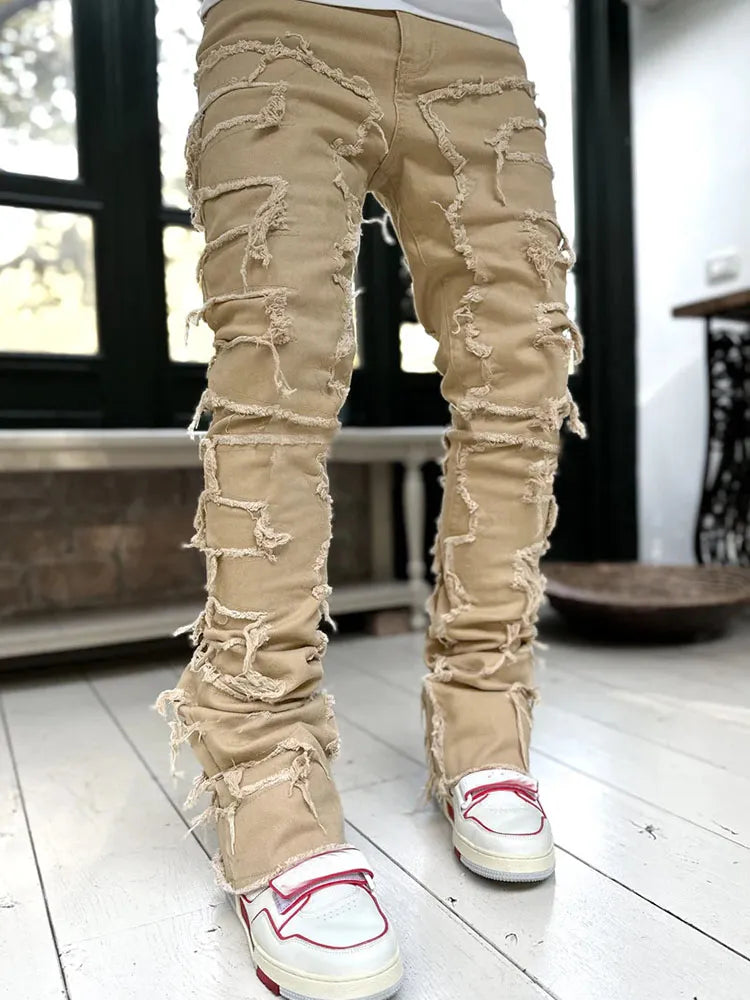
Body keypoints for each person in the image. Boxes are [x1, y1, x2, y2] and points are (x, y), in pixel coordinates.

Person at [156, 1, 584, 996]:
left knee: (522, 375)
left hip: (476, 40)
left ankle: (484, 727)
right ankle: (266, 774)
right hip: (281, 21)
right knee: (276, 371)